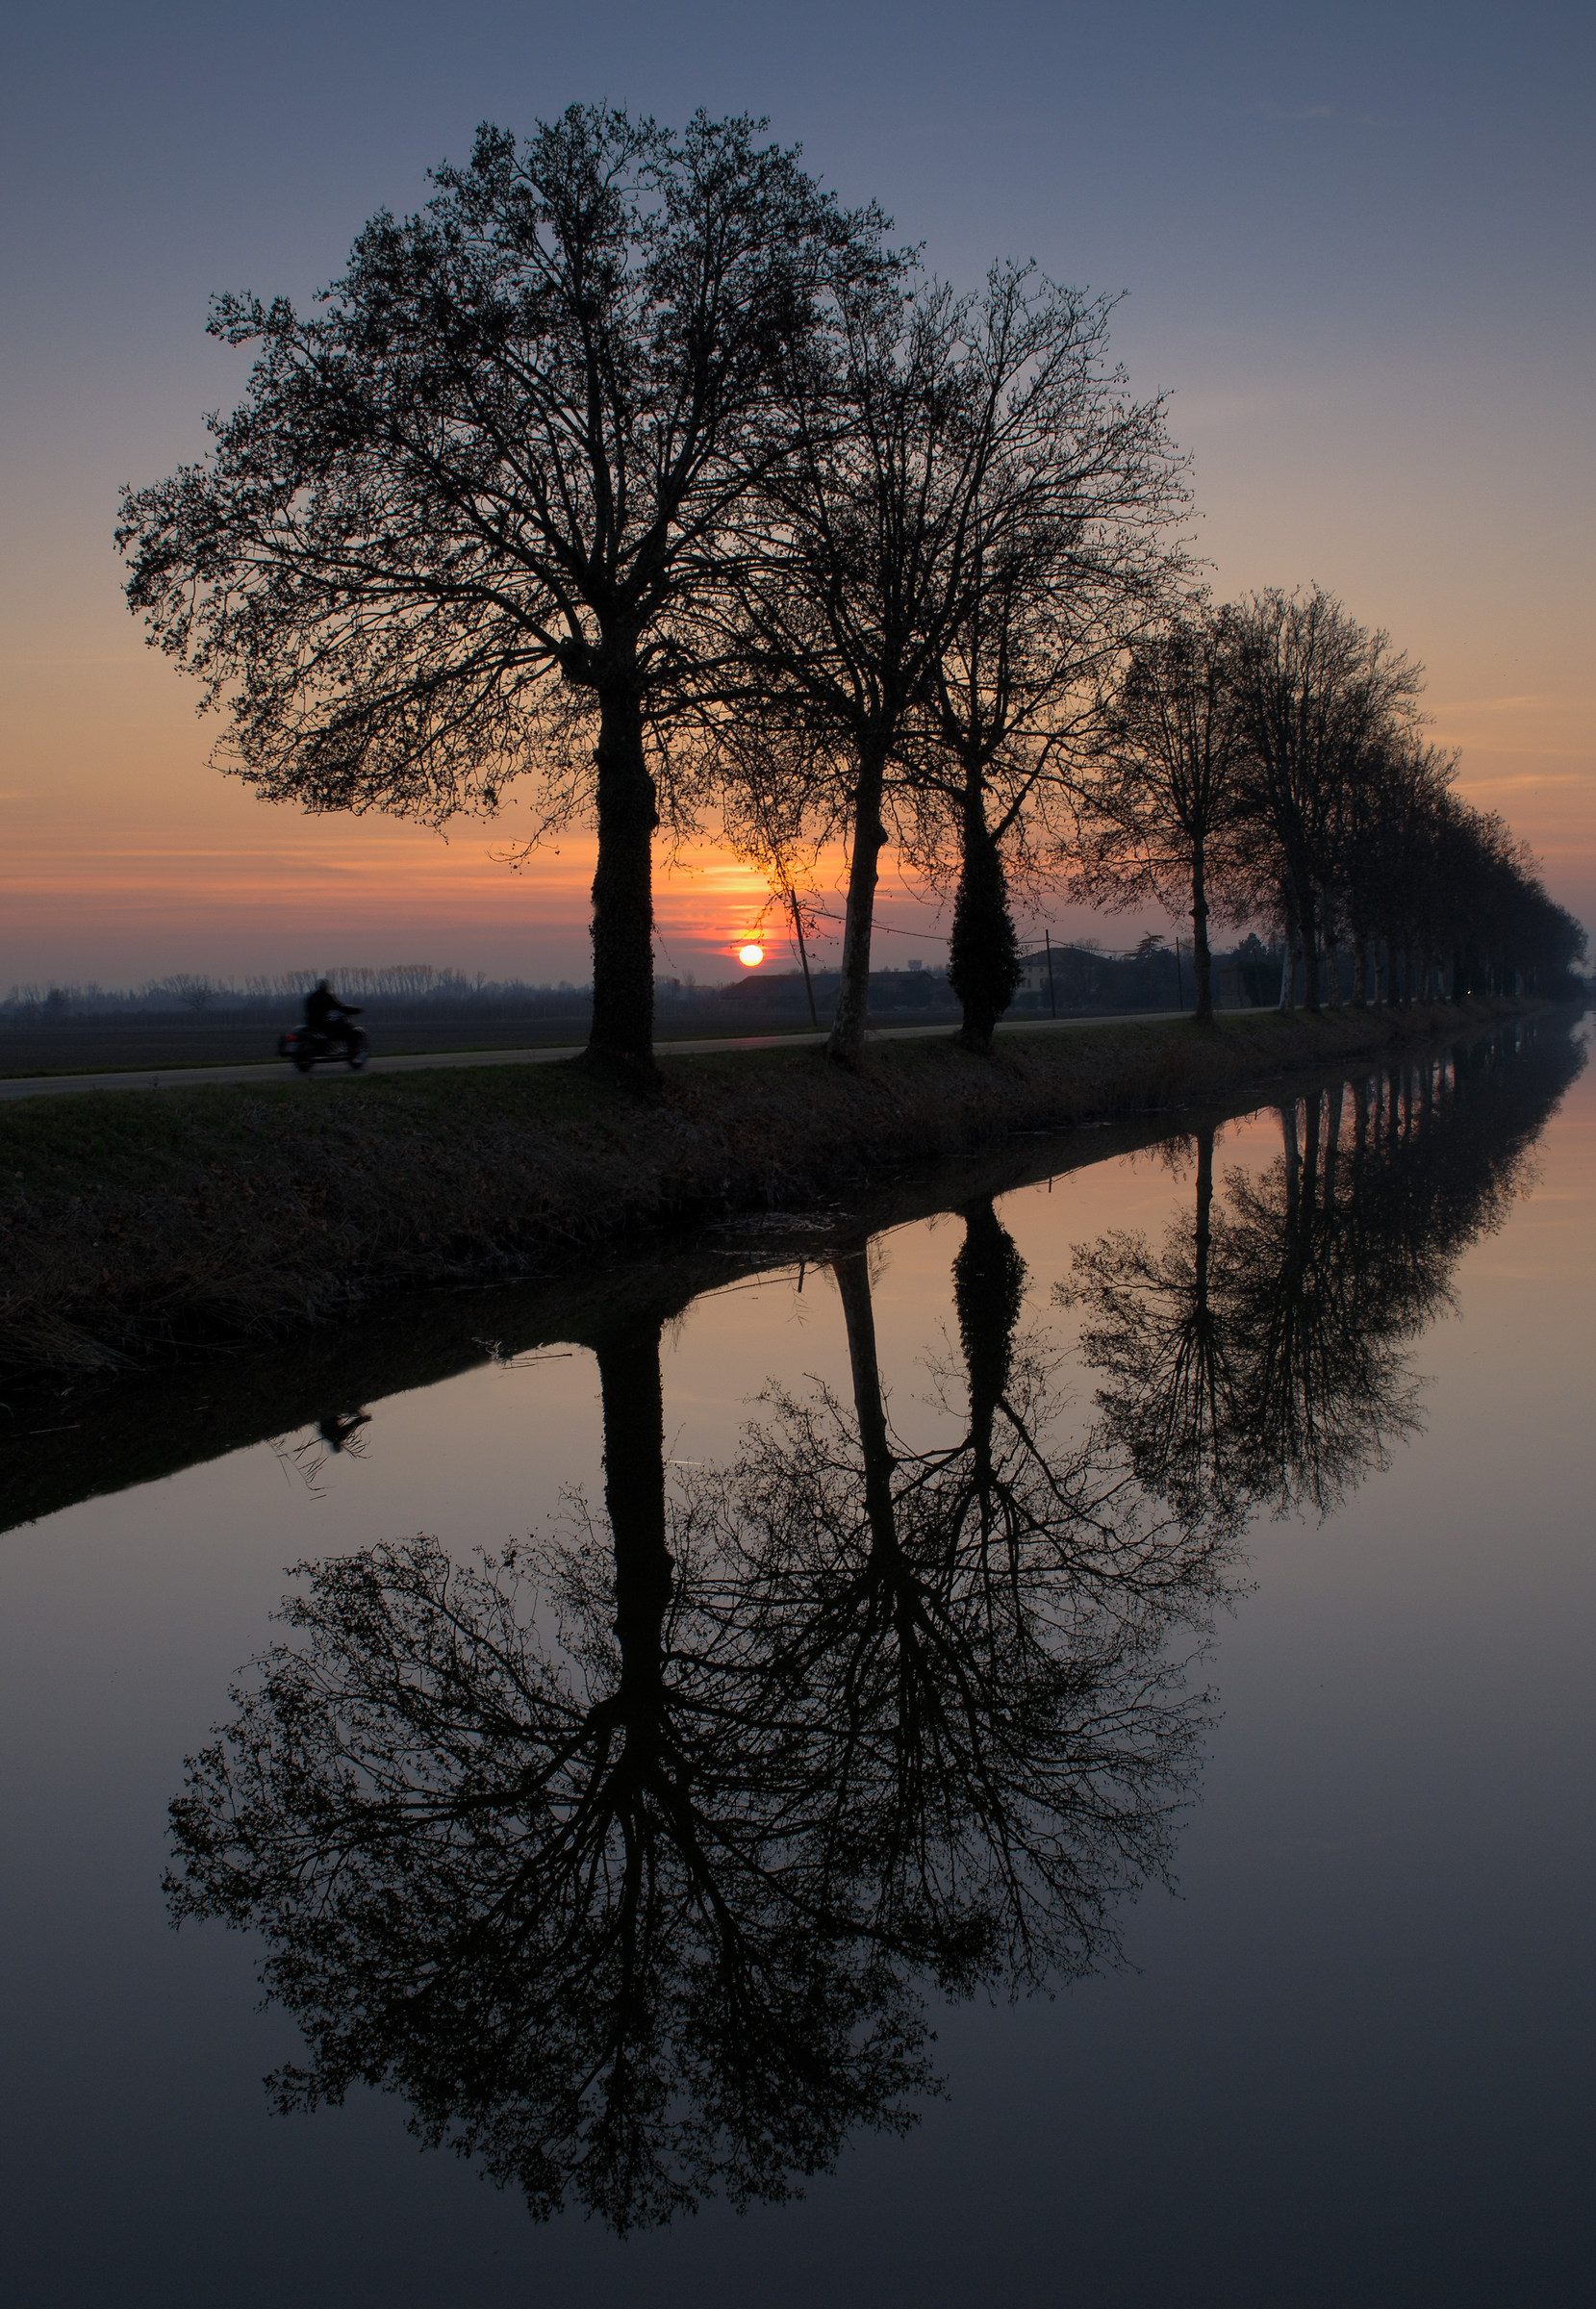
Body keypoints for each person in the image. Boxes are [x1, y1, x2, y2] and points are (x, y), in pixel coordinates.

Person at [303, 978, 362, 1053]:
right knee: (347, 1026)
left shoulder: (311, 997)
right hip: (322, 1023)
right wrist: (353, 1010)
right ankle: (353, 1050)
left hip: (310, 1023)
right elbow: (339, 1007)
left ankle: (329, 1047)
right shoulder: (327, 996)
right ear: (327, 986)